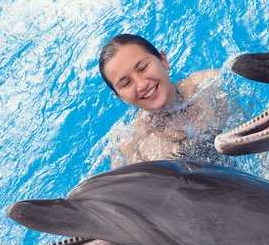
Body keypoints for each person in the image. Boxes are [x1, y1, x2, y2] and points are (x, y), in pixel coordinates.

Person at [99, 34, 240, 167]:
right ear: (121, 97)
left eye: (143, 68)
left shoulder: (211, 85)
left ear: (163, 60)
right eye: (126, 84)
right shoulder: (133, 145)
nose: (142, 85)